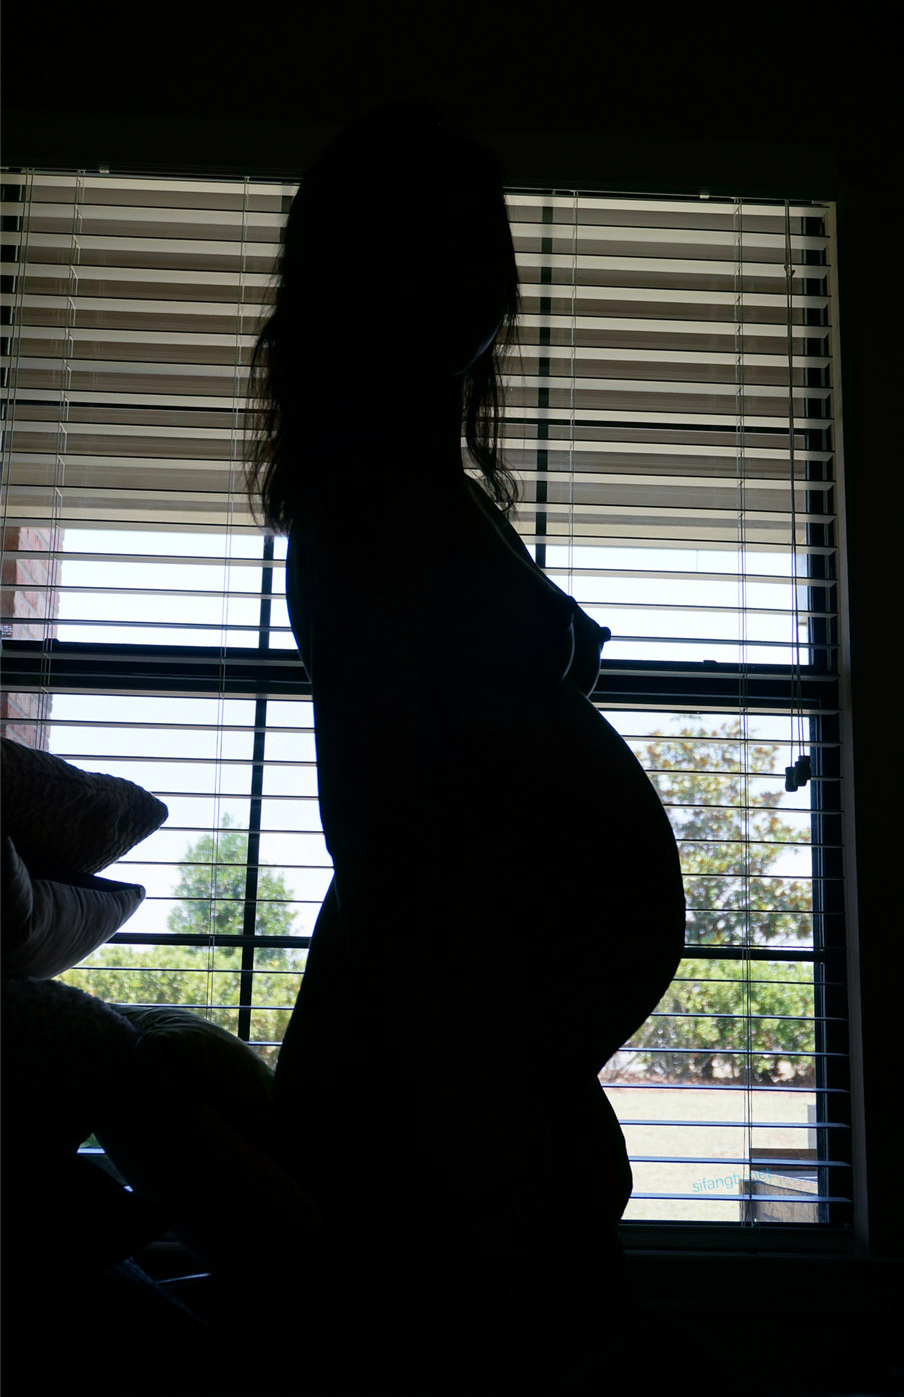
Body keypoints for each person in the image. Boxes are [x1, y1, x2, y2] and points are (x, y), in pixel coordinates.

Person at [246, 98, 686, 1393]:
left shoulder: (422, 484)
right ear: (363, 274)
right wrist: (466, 1063)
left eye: (486, 245)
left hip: (479, 1030)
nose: (480, 279)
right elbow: (372, 804)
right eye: (435, 246)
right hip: (443, 1041)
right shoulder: (370, 492)